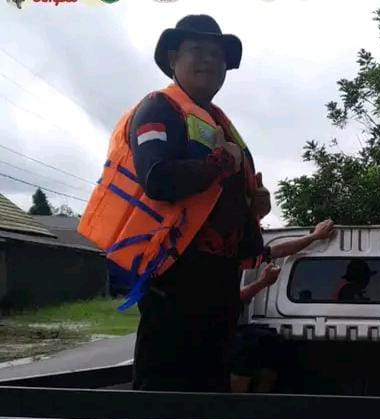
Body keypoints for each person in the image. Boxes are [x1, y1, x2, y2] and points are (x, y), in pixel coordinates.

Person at [79, 15, 272, 392]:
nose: (209, 61)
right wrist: (223, 162)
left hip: (220, 280)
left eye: (217, 55)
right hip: (175, 278)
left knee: (211, 389)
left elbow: (218, 197)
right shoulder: (158, 109)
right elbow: (158, 179)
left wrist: (253, 204)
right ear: (172, 59)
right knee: (164, 394)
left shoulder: (220, 123)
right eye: (197, 51)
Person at [230, 219, 336, 393]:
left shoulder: (238, 252)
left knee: (271, 341)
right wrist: (263, 282)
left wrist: (315, 237)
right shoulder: (211, 256)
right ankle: (235, 405)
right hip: (211, 329)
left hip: (230, 324)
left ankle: (262, 401)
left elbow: (278, 250)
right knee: (247, 346)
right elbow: (230, 297)